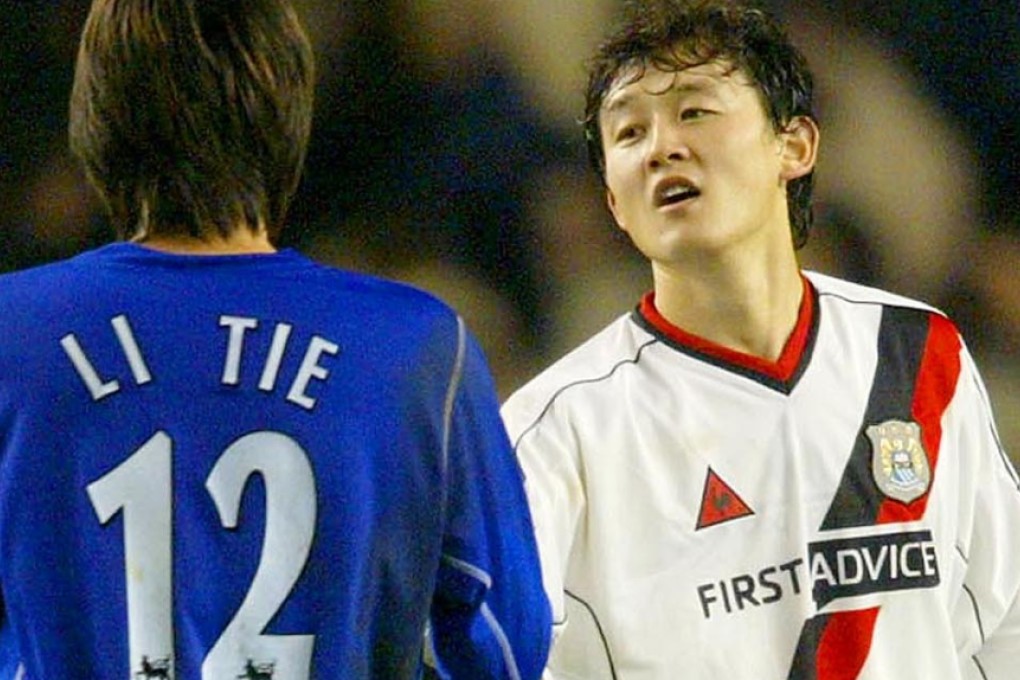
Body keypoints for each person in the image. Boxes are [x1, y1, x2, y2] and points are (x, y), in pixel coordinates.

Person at [0, 0, 551, 678]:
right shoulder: (416, 350)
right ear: (288, 117)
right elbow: (502, 643)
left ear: (97, 124)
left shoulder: (13, 333)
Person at [499, 0, 1020, 677]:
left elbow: (1003, 621)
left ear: (794, 145)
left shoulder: (917, 353)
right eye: (628, 133)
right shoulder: (557, 432)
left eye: (694, 111)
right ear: (614, 203)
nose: (662, 147)